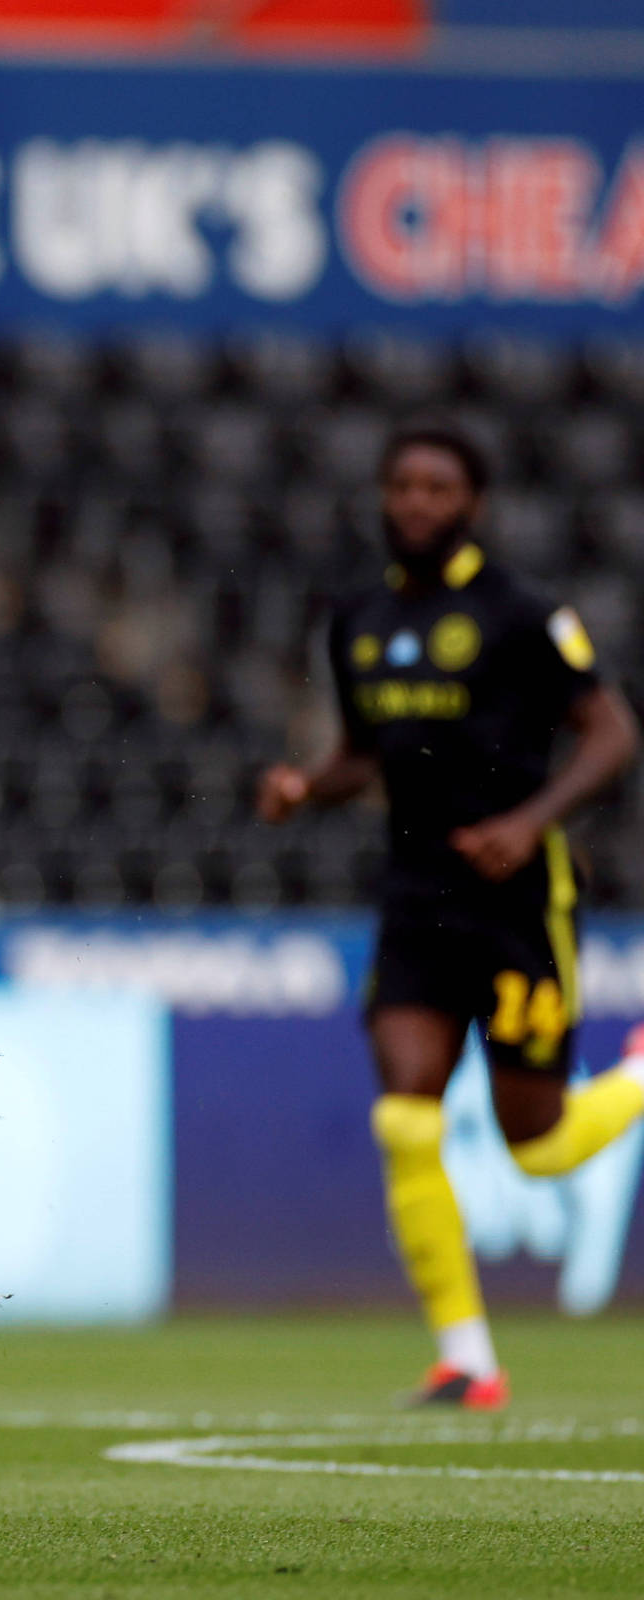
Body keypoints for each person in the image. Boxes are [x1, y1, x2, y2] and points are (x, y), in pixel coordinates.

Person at [259, 422, 641, 1409]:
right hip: (416, 897)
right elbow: (366, 754)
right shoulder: (358, 620)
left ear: (471, 502)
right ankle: (466, 1357)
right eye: (402, 485)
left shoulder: (522, 613)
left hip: (518, 899)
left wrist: (529, 823)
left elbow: (611, 733)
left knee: (542, 1143)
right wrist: (308, 785)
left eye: (437, 486)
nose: (416, 502)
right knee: (404, 1116)